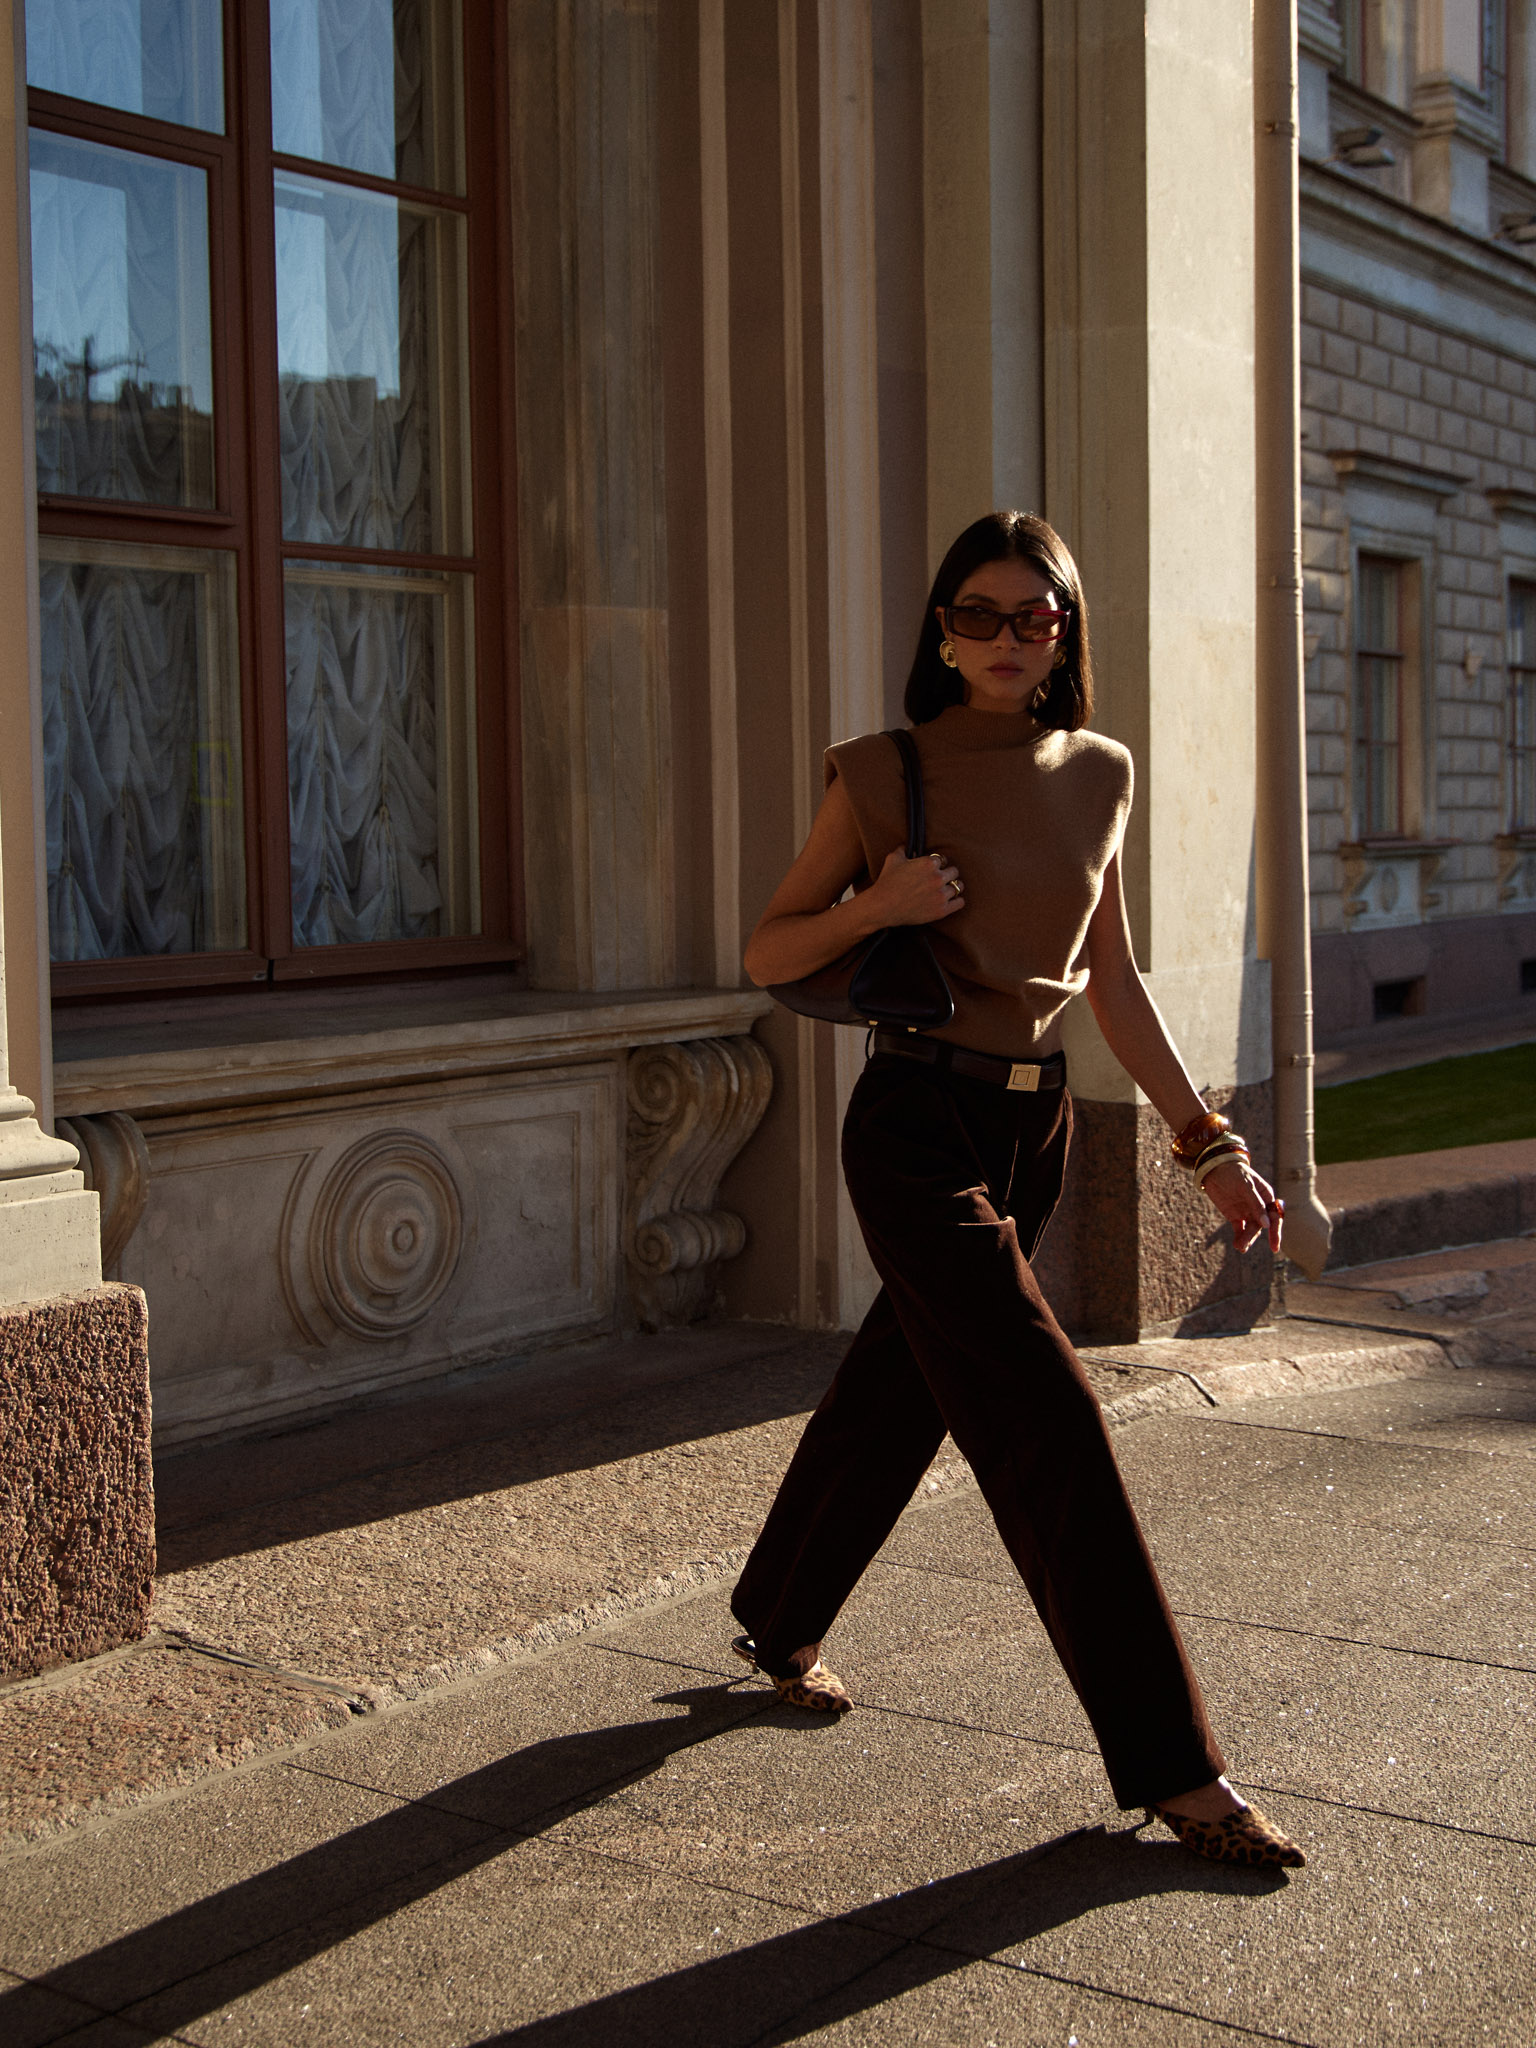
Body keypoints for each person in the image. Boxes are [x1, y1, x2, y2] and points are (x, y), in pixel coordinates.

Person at [731, 509, 1304, 1872]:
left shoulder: (1098, 773)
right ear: (940, 630)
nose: (1003, 638)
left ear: (1065, 637)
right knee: (1046, 1410)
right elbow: (769, 947)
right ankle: (1181, 1769)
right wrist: (880, 905)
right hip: (914, 1118)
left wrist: (1207, 1145)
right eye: (975, 615)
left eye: (1032, 617)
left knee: (908, 1377)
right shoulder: (883, 773)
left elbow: (1111, 974)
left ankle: (778, 1613)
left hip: (1030, 1126)